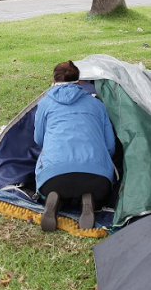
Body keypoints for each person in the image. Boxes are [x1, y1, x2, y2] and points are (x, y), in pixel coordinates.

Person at [33, 61, 117, 231]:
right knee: (94, 183)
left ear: (54, 80)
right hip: (98, 178)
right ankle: (88, 198)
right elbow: (110, 145)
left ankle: (54, 196)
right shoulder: (97, 105)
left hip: (52, 177)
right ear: (80, 82)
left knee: (52, 172)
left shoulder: (45, 104)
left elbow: (38, 139)